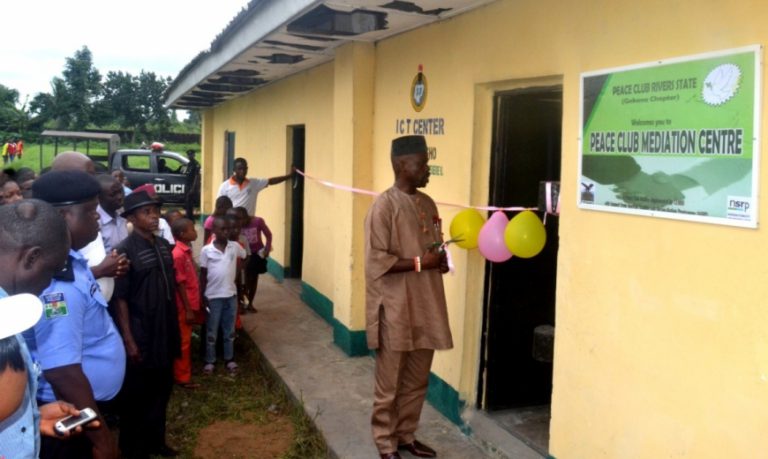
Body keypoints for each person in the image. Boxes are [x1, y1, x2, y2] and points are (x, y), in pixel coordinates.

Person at [364, 135, 452, 459]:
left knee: (417, 381)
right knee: (389, 386)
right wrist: (420, 263)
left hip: (427, 304)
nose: (427, 169)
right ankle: (385, 445)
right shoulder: (383, 207)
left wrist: (439, 262)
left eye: (427, 161)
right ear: (402, 165)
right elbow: (376, 262)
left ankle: (405, 437)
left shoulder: (428, 204)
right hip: (396, 307)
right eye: (422, 163)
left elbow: (432, 248)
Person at [28, 171, 126, 459]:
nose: (98, 217)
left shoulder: (72, 260)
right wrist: (102, 440)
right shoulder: (57, 287)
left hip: (85, 405)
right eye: (89, 211)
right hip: (70, 411)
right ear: (62, 219)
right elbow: (62, 371)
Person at [0, 199, 93, 459]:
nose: (50, 283)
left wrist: (32, 416)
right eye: (52, 269)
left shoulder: (11, 312)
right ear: (32, 257)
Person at [113, 190, 181, 458]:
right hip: (141, 333)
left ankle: (156, 441)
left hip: (165, 330)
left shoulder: (164, 246)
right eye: (146, 212)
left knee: (162, 390)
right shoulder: (123, 251)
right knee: (137, 395)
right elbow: (120, 300)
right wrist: (129, 339)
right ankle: (132, 449)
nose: (154, 217)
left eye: (155, 211)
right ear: (131, 217)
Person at [200, 216, 246, 376]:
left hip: (230, 296)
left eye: (228, 229)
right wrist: (202, 295)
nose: (227, 232)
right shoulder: (207, 250)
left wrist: (239, 274)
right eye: (223, 229)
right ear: (214, 231)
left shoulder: (234, 247)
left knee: (229, 330)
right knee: (212, 331)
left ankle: (229, 358)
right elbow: (203, 274)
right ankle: (210, 360)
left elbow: (245, 257)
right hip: (213, 298)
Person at [170, 218, 201, 389]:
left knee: (186, 338)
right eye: (192, 229)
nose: (195, 232)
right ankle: (182, 377)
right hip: (184, 307)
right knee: (184, 341)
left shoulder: (185, 251)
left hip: (190, 304)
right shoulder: (178, 254)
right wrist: (188, 309)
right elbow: (179, 283)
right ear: (182, 234)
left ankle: (183, 371)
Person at [216, 157, 294, 216]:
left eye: (244, 168)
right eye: (239, 169)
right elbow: (219, 206)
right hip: (232, 225)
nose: (242, 171)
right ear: (234, 169)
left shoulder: (253, 183)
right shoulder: (224, 187)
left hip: (248, 223)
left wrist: (290, 176)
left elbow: (271, 181)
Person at [240, 206, 271, 313]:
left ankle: (250, 303)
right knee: (244, 280)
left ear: (246, 217)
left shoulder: (258, 221)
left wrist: (267, 248)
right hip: (243, 254)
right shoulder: (238, 224)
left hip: (256, 255)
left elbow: (269, 235)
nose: (239, 223)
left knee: (254, 279)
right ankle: (243, 302)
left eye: (241, 220)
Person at [96, 174, 129, 253]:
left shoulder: (122, 215)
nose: (120, 197)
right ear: (99, 198)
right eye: (113, 194)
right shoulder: (95, 223)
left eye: (121, 191)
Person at [184, 149, 201, 219]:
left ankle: (190, 218)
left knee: (190, 203)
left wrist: (193, 188)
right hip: (187, 185)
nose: (189, 156)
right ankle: (189, 217)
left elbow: (197, 177)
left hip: (192, 186)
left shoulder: (196, 164)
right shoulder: (189, 164)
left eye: (191, 154)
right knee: (187, 203)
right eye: (188, 155)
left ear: (194, 155)